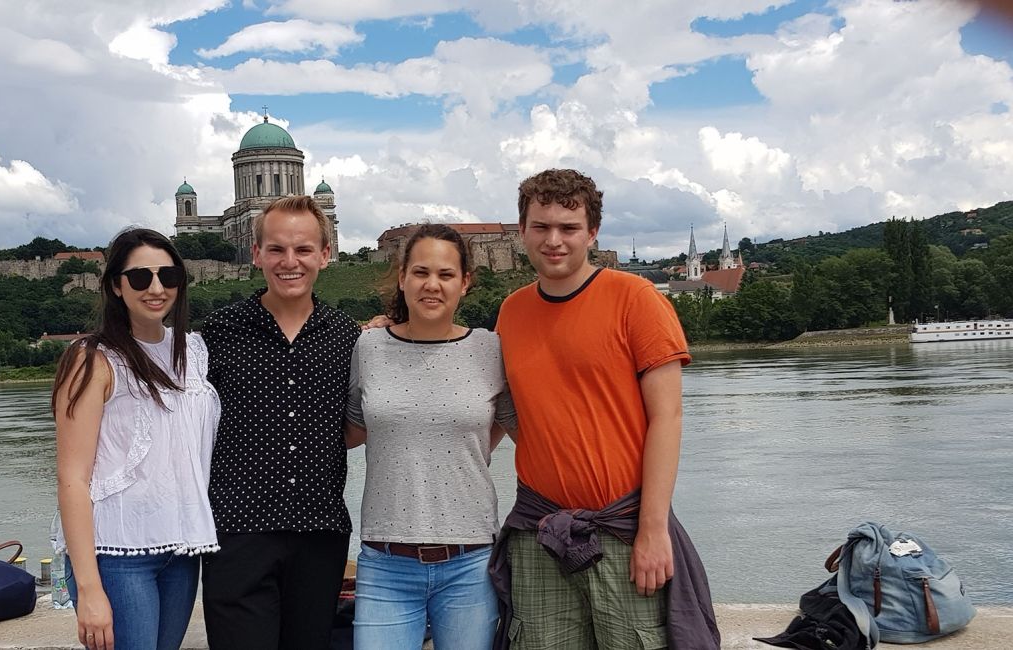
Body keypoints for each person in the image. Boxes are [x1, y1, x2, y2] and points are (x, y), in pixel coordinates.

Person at [488, 169, 720, 649]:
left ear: (592, 233)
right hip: (539, 531)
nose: (554, 241)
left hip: (623, 530)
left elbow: (668, 418)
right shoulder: (510, 312)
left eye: (569, 228)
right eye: (541, 227)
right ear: (522, 232)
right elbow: (517, 413)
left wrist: (653, 530)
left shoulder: (637, 299)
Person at [344, 224, 517, 649]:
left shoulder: (491, 349)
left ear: (465, 282)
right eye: (420, 273)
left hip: (470, 561)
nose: (432, 285)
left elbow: (521, 430)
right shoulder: (368, 348)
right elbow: (352, 432)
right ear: (402, 278)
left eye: (445, 274)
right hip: (386, 562)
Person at [200, 195, 361, 650]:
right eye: (276, 249)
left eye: (304, 249)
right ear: (256, 254)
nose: (290, 261)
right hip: (237, 534)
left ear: (325, 255)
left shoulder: (350, 339)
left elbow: (362, 423)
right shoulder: (218, 334)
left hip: (319, 534)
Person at [52, 227, 221, 650]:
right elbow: (72, 478)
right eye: (141, 278)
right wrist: (89, 589)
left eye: (169, 276)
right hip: (118, 554)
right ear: (115, 285)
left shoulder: (194, 351)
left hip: (182, 552)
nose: (157, 288)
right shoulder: (93, 359)